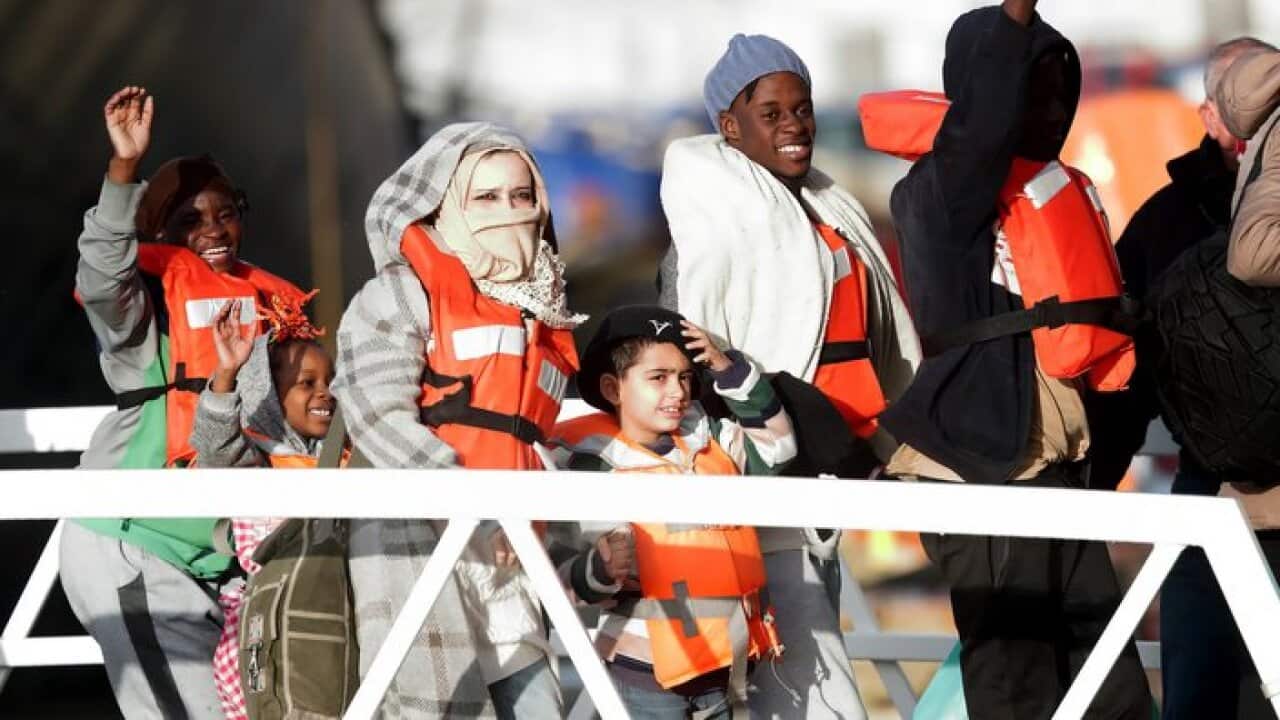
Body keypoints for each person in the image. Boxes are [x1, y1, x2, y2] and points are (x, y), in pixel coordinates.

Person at [876, 1, 1154, 716]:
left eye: (1060, 87)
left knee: (1109, 679)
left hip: (1053, 469)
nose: (1050, 104)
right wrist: (1015, 18)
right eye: (1034, 85)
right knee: (1016, 683)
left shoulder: (1046, 187)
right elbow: (981, 128)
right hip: (981, 467)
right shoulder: (940, 194)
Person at [659, 33, 919, 718]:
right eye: (770, 113)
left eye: (800, 109)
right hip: (777, 467)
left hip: (842, 456)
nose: (794, 126)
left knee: (801, 653)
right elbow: (683, 351)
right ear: (728, 126)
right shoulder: (711, 226)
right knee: (805, 677)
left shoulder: (825, 207)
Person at [59, 86, 304, 719]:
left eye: (226, 212)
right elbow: (100, 272)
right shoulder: (135, 314)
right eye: (188, 220)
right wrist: (122, 171)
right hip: (137, 549)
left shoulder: (266, 310)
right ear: (157, 233)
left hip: (222, 567)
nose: (213, 229)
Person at [331, 122, 583, 718]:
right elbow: (374, 412)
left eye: (522, 196)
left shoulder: (542, 314)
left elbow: (540, 443)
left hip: (515, 562)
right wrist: (470, 510)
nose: (509, 212)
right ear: (445, 205)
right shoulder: (401, 291)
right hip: (423, 549)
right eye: (487, 198)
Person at [1085, 37, 1280, 719]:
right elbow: (1130, 367)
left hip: (1228, 483)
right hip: (1211, 484)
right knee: (1200, 681)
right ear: (1208, 115)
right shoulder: (1165, 220)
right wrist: (1094, 485)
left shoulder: (1186, 215)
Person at [549, 306, 796, 719]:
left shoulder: (713, 440)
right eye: (658, 378)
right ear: (613, 389)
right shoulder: (590, 465)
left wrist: (726, 368)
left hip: (728, 668)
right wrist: (601, 568)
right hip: (644, 676)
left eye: (684, 377)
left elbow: (779, 446)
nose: (678, 391)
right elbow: (557, 572)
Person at [189, 293, 336, 720]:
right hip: (272, 628)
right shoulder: (258, 458)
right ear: (269, 395)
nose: (324, 392)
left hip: (335, 618)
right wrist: (227, 373)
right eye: (306, 383)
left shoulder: (349, 455)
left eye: (329, 380)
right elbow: (215, 449)